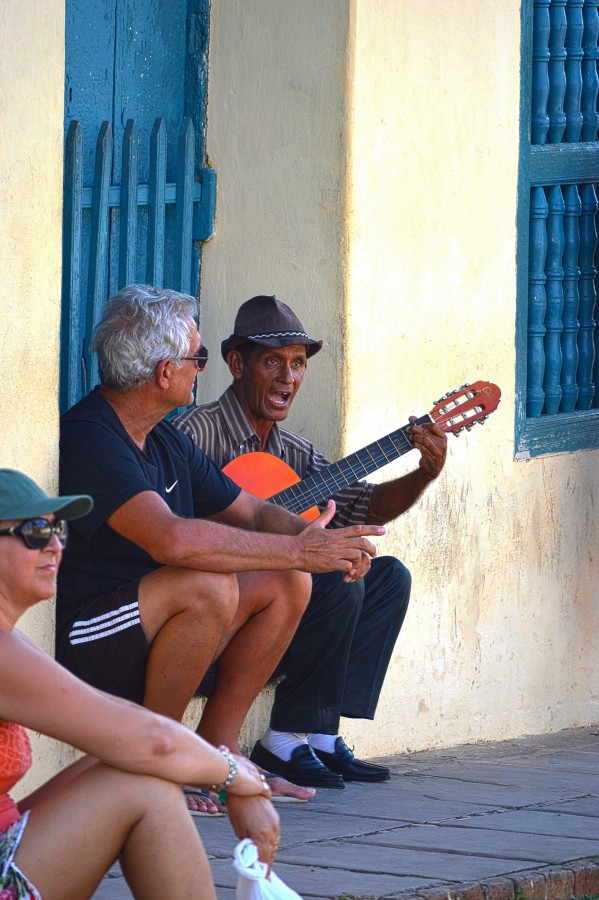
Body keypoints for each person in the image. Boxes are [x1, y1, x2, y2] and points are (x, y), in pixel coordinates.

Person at [56, 284, 384, 812]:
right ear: (165, 372)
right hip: (92, 634)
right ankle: (158, 758)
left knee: (286, 581)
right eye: (198, 357)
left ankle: (217, 748)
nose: (200, 369)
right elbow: (174, 540)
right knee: (207, 583)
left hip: (160, 623)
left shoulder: (163, 437)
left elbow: (251, 510)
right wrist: (297, 552)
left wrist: (311, 542)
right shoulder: (91, 437)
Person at [174, 295, 448, 789]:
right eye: (273, 361)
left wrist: (423, 474)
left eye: (297, 364)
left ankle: (320, 734)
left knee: (387, 579)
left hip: (281, 609)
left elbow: (366, 506)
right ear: (237, 364)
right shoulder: (197, 433)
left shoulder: (295, 452)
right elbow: (175, 521)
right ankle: (282, 738)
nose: (288, 377)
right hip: (222, 608)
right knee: (337, 579)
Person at [0, 467, 280, 899]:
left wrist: (216, 766)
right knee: (147, 785)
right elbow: (155, 741)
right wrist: (237, 780)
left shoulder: (10, 642)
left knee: (135, 765)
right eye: (35, 531)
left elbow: (128, 726)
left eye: (58, 530)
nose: (56, 545)